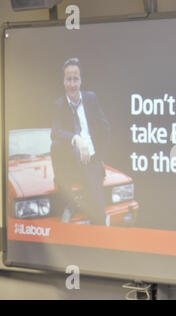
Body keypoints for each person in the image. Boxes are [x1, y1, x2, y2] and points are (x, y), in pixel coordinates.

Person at [51, 57, 111, 226]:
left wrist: (99, 156)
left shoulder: (91, 99)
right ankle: (68, 202)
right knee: (55, 145)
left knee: (98, 214)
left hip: (90, 162)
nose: (72, 84)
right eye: (68, 79)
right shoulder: (59, 104)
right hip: (70, 163)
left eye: (75, 79)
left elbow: (106, 128)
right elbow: (55, 132)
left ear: (81, 80)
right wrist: (76, 138)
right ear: (63, 81)